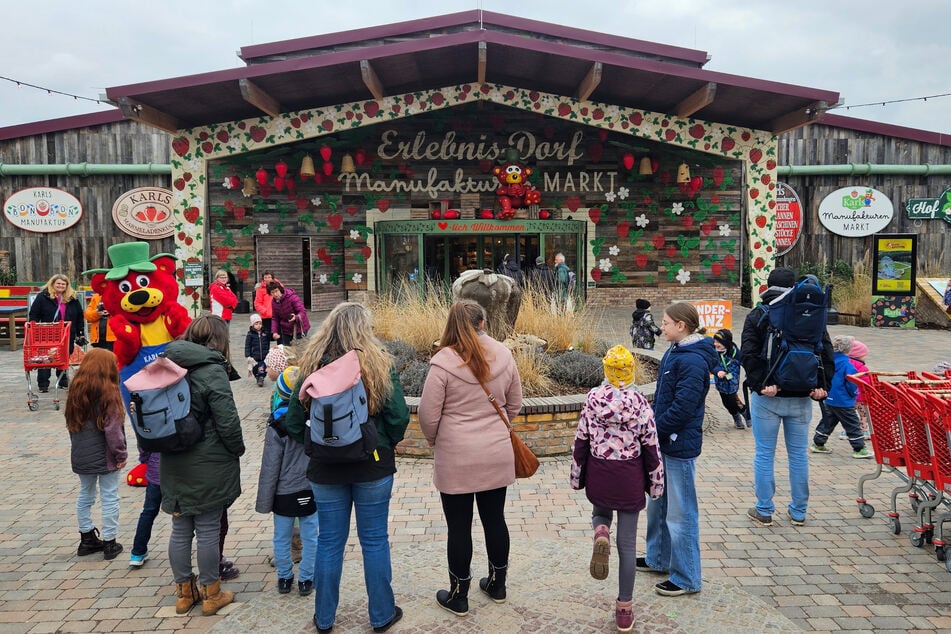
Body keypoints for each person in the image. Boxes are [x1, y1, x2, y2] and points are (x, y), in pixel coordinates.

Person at [282, 302, 409, 633]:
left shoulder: (312, 366)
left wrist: (318, 447)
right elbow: (398, 416)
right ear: (364, 328)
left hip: (325, 470)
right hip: (372, 466)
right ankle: (381, 614)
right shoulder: (378, 363)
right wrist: (382, 443)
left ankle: (324, 618)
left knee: (328, 542)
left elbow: (294, 421)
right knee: (375, 541)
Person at [418, 300, 523, 617]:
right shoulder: (504, 354)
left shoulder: (443, 362)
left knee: (458, 527)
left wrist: (437, 440)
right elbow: (515, 404)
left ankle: (458, 594)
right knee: (495, 519)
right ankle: (497, 584)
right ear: (483, 322)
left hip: (456, 456)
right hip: (495, 452)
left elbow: (427, 415)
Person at [570, 345, 664, 633]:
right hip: (629, 477)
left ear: (607, 371)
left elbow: (580, 441)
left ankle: (600, 532)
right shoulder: (640, 404)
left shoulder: (592, 400)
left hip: (600, 471)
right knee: (626, 546)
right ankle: (624, 610)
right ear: (630, 372)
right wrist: (656, 484)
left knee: (600, 513)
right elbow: (651, 448)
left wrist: (577, 476)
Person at [161, 315, 246, 616]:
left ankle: (184, 593)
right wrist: (238, 448)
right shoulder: (212, 370)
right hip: (208, 460)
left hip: (172, 457)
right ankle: (212, 593)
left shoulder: (166, 362)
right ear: (219, 340)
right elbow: (227, 421)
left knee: (180, 528)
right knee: (208, 527)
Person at [741, 267, 833, 528]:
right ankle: (799, 511)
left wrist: (761, 385)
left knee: (764, 454)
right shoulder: (811, 314)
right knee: (798, 455)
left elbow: (749, 353)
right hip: (803, 396)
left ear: (768, 286)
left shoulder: (759, 314)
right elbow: (825, 351)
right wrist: (822, 387)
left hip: (768, 397)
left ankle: (765, 509)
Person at [638, 302, 717, 597]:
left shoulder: (692, 360)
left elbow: (684, 407)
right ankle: (658, 558)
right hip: (664, 440)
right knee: (658, 502)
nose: (662, 326)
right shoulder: (676, 350)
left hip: (678, 444)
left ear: (681, 326)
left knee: (681, 513)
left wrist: (655, 428)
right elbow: (664, 397)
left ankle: (687, 577)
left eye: (666, 322)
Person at [255, 366, 317, 597]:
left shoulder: (275, 427)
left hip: (283, 493)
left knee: (281, 536)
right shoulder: (312, 421)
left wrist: (264, 501)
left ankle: (284, 577)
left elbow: (270, 468)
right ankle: (307, 579)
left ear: (279, 395)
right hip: (310, 488)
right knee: (311, 536)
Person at [65, 348, 127, 561]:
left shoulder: (75, 390)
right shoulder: (109, 393)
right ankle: (110, 541)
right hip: (105, 454)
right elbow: (113, 431)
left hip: (81, 453)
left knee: (86, 495)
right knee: (110, 496)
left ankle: (86, 537)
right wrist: (120, 454)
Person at [810, 336, 872, 459]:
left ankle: (818, 443)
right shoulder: (847, 365)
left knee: (828, 421)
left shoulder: (829, 361)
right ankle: (859, 448)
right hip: (843, 401)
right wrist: (853, 394)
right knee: (852, 424)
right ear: (848, 350)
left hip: (829, 398)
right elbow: (852, 384)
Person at [28, 273, 85, 392]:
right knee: (46, 357)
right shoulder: (43, 297)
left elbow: (80, 316)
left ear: (67, 286)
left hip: (67, 332)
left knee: (64, 356)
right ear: (53, 284)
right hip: (47, 332)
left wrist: (80, 332)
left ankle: (62, 381)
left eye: (63, 284)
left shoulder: (72, 298)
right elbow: (33, 314)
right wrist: (33, 328)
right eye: (58, 283)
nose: (61, 286)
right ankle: (43, 384)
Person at [128, 442, 161, 568]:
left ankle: (138, 552)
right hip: (177, 472)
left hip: (155, 470)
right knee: (181, 516)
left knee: (148, 511)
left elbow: (143, 442)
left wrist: (146, 459)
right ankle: (181, 552)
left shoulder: (149, 421)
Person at [712, 329, 749, 430]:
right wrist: (717, 371)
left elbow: (746, 363)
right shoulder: (714, 353)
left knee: (732, 400)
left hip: (732, 382)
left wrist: (750, 374)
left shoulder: (735, 352)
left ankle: (744, 413)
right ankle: (736, 415)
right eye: (714, 341)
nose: (716, 344)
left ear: (726, 342)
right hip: (720, 383)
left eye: (718, 342)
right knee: (726, 403)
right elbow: (712, 365)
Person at [268, 281, 311, 345]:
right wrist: (274, 332)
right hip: (286, 329)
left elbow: (302, 311)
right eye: (272, 292)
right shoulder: (274, 302)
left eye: (276, 291)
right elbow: (275, 318)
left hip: (299, 327)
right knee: (287, 350)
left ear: (280, 289)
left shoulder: (292, 297)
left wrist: (296, 317)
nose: (275, 294)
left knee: (298, 350)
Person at [845, 340, 872, 440]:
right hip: (860, 396)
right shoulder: (862, 367)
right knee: (864, 414)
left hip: (848, 395)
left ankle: (846, 431)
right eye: (864, 354)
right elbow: (866, 382)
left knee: (849, 415)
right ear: (858, 355)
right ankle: (863, 429)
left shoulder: (845, 363)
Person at [245, 313, 270, 387]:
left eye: (260, 323)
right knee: (255, 369)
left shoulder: (264, 333)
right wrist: (248, 355)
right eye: (256, 323)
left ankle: (261, 377)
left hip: (264, 355)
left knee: (262, 367)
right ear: (252, 325)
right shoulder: (250, 334)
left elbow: (268, 341)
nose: (259, 325)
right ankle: (258, 377)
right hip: (255, 356)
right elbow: (247, 345)